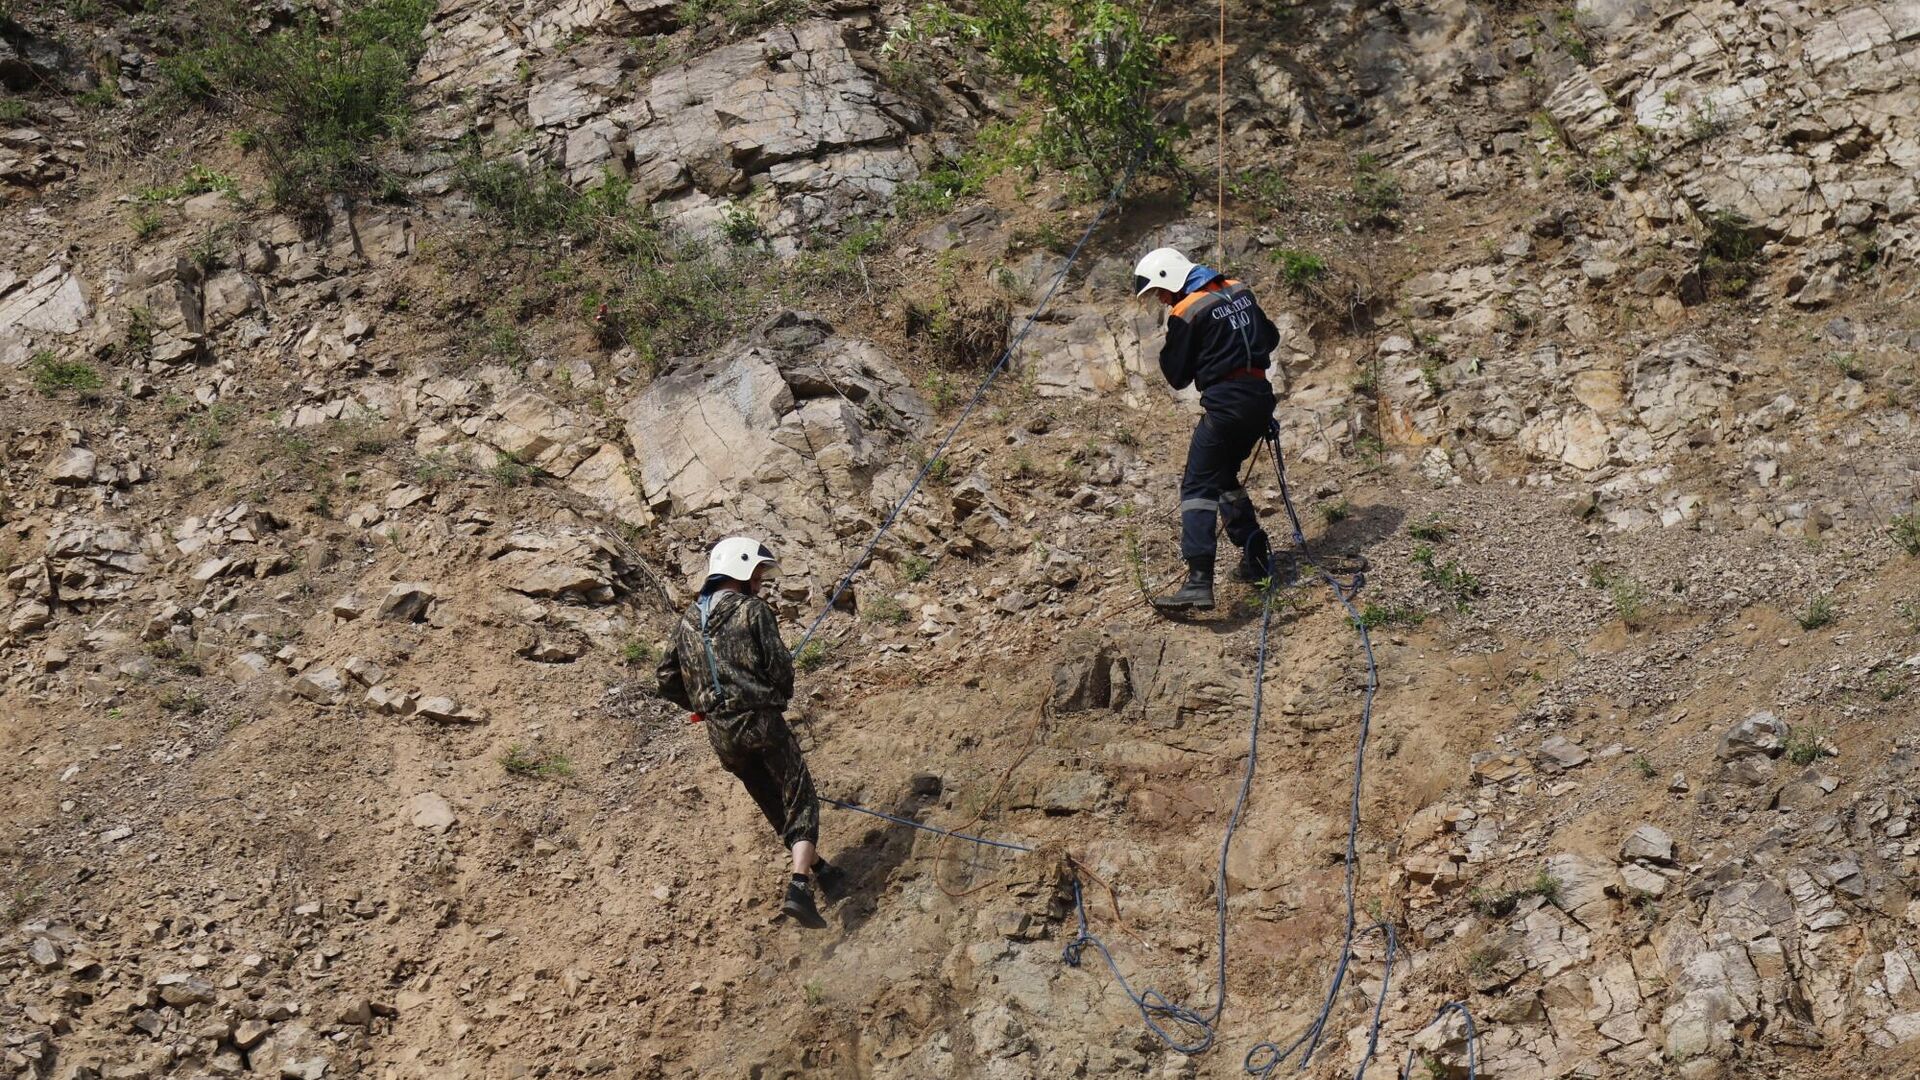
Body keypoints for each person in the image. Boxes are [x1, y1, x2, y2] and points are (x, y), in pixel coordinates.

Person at [656, 536, 842, 925]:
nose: (760, 582)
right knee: (799, 796)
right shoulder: (752, 610)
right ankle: (799, 885)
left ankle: (822, 871)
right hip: (761, 719)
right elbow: (780, 667)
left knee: (772, 801)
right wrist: (777, 693)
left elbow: (666, 678)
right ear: (740, 572)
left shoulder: (687, 621)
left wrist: (703, 705)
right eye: (757, 574)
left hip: (722, 735)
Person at [1132, 246, 1284, 612]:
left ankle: (1199, 580)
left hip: (1226, 406)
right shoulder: (1240, 290)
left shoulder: (1187, 312)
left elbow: (1178, 376)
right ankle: (1255, 551)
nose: (1165, 301)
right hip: (1259, 402)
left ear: (1171, 278)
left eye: (1161, 292)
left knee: (1197, 485)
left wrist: (1179, 342)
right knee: (1222, 475)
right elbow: (1272, 338)